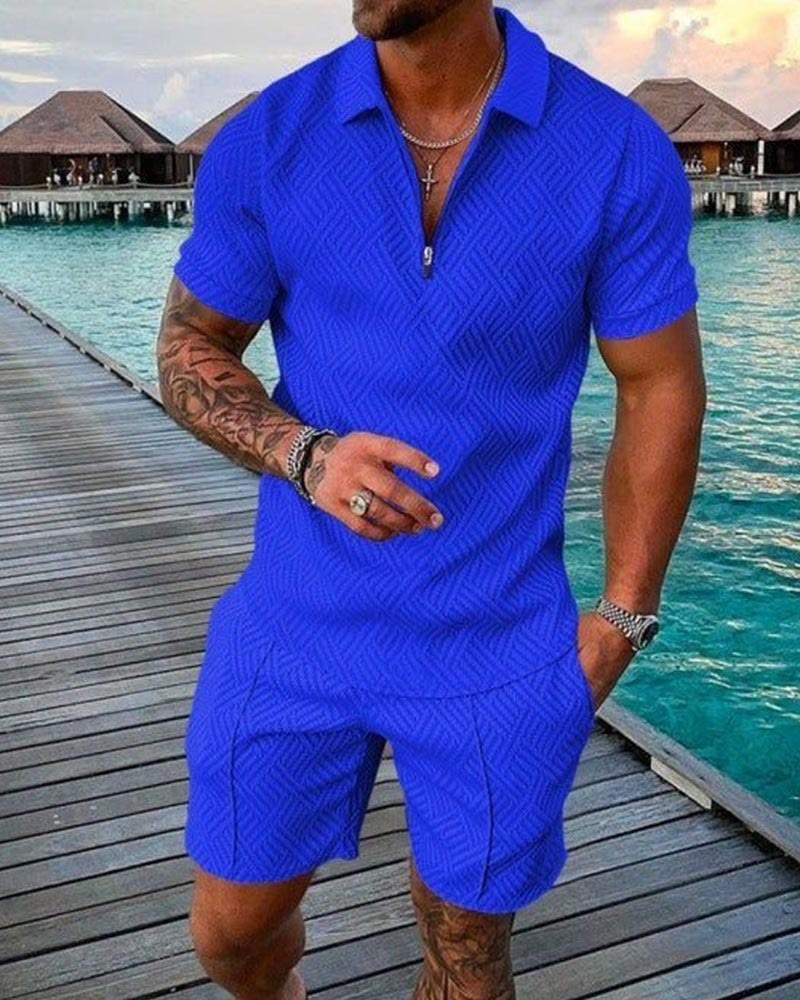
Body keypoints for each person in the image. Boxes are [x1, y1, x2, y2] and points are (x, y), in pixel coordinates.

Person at [157, 3, 705, 998]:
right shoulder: (268, 138)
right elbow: (190, 344)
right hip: (294, 625)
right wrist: (303, 453)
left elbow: (657, 382)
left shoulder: (613, 150)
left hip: (496, 642)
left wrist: (624, 613)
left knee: (466, 955)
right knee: (229, 936)